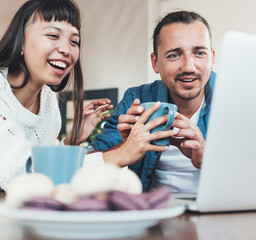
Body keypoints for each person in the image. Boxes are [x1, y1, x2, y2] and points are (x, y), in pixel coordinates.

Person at [0, 0, 112, 193]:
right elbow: (21, 173)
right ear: (20, 42)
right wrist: (115, 158)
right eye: (53, 35)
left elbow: (39, 169)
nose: (66, 50)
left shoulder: (48, 103)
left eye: (74, 41)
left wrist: (70, 141)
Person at [89, 11, 216, 193]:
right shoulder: (137, 99)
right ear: (155, 62)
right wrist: (127, 147)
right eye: (174, 55)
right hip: (154, 213)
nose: (189, 67)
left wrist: (209, 161)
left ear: (212, 58)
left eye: (199, 53)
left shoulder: (235, 101)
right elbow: (88, 165)